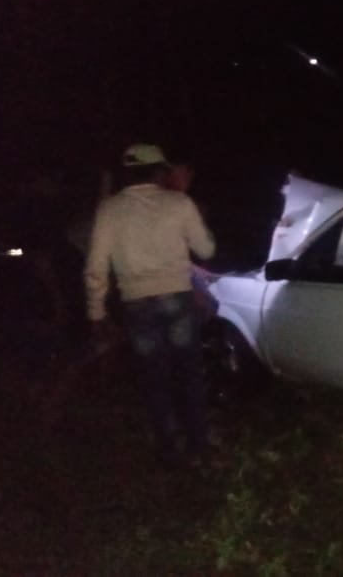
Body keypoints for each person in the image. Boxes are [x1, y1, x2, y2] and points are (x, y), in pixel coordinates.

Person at [84, 143, 216, 468]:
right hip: (177, 298)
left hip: (137, 304)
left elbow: (96, 266)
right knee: (189, 373)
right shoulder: (179, 203)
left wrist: (96, 311)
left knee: (155, 378)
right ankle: (199, 445)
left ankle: (169, 450)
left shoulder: (109, 209)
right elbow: (207, 250)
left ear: (127, 174)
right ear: (159, 171)